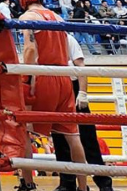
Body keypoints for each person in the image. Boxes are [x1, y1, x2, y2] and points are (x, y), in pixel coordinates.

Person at [16, 0, 88, 191]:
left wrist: (26, 78)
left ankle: (28, 183)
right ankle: (83, 187)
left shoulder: (28, 18)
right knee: (73, 136)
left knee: (24, 130)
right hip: (64, 76)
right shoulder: (58, 17)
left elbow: (30, 50)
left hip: (42, 76)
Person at [52, 34, 111, 191]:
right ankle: (67, 183)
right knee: (59, 138)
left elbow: (80, 66)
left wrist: (83, 92)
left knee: (87, 137)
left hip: (73, 87)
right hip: (55, 87)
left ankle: (104, 183)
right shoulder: (42, 40)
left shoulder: (67, 38)